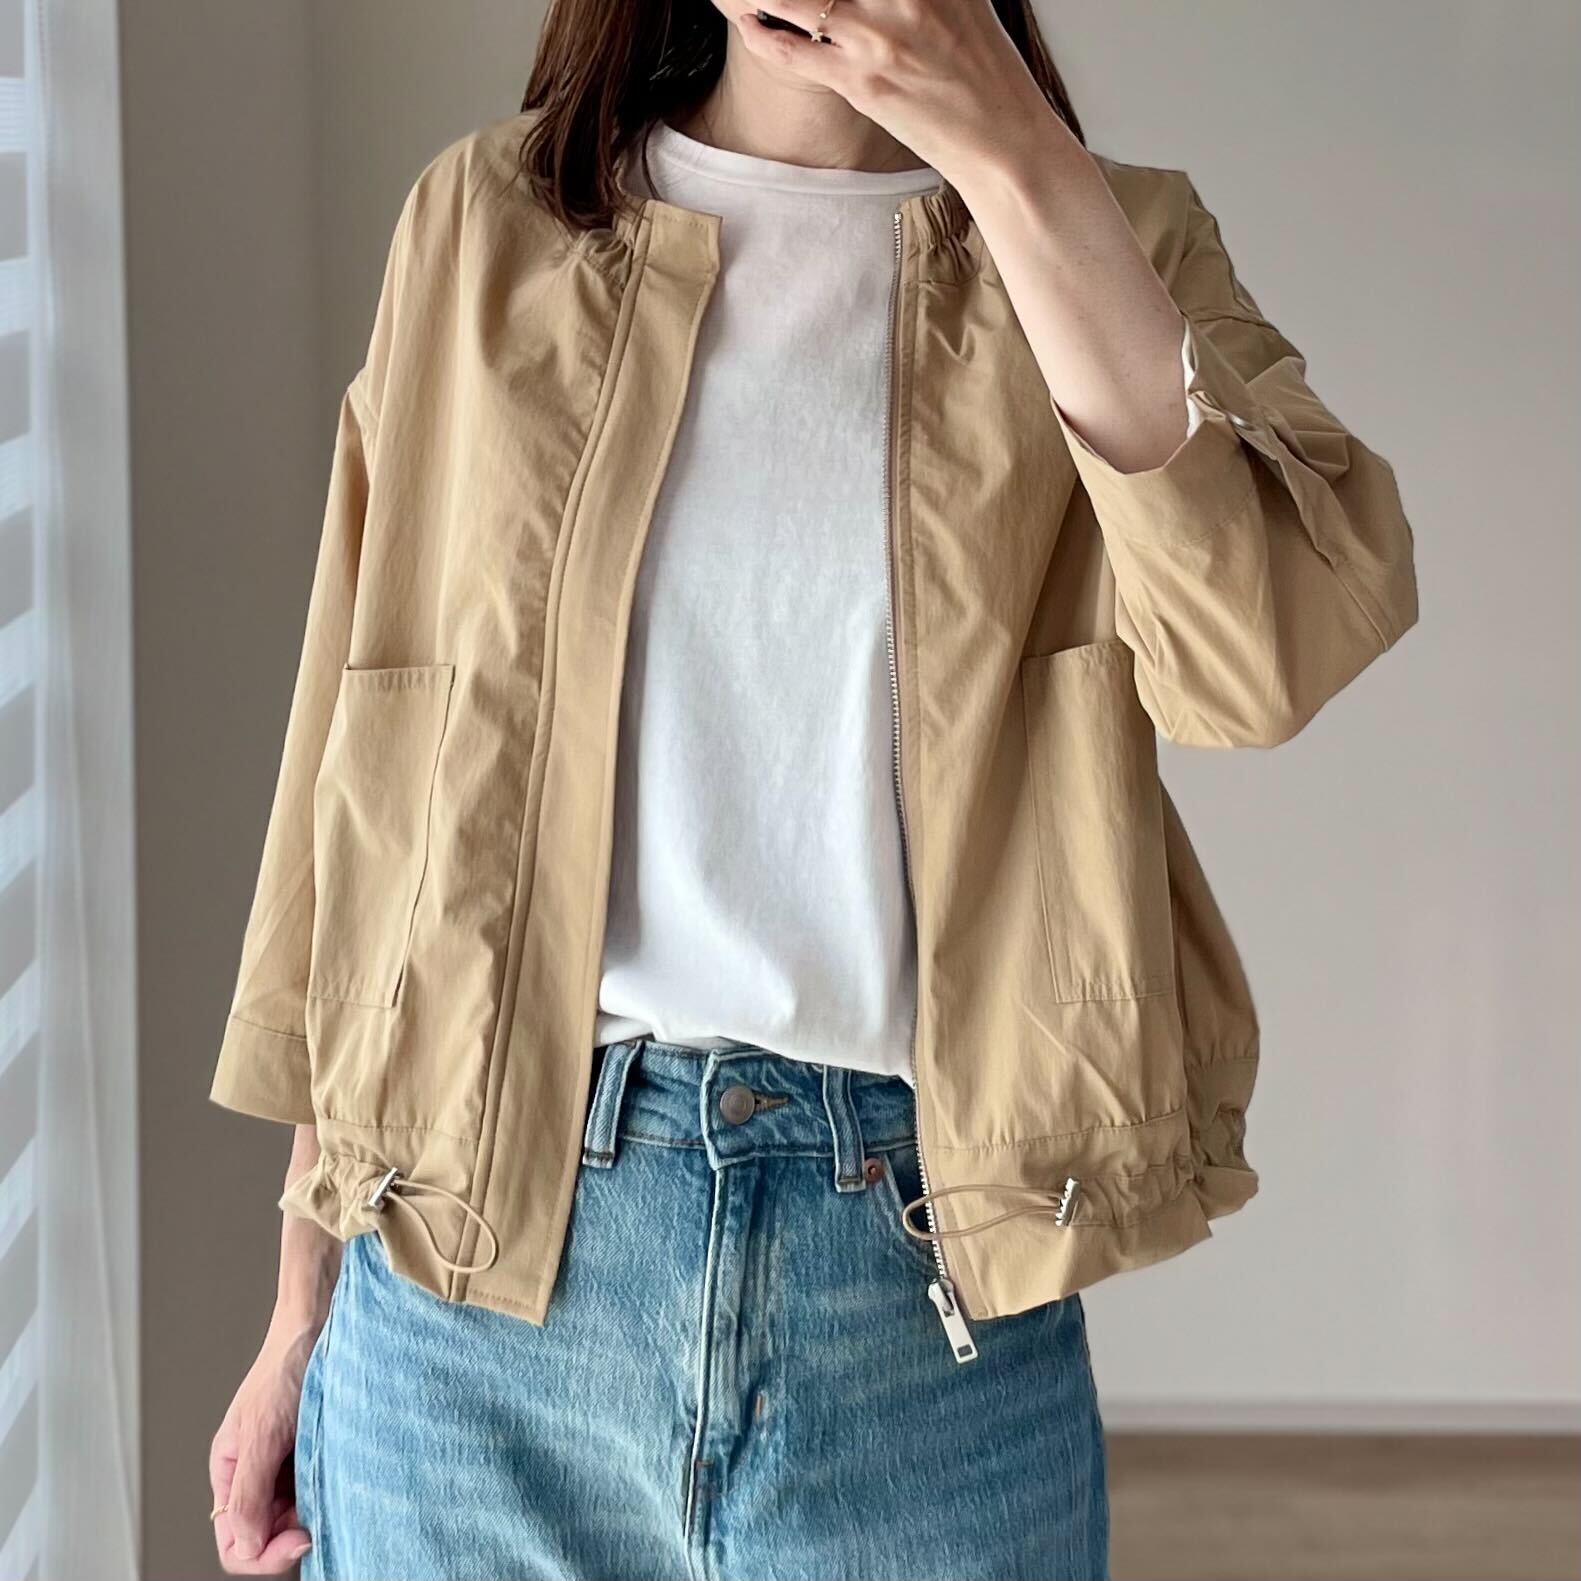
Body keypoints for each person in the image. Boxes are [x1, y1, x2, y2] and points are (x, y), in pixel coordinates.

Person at [205, 1, 1419, 1576]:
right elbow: (366, 779)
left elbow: (1259, 656)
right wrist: (297, 1305)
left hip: (918, 1296)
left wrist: (1012, 155)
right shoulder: (486, 222)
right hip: (469, 1297)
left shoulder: (1111, 239)